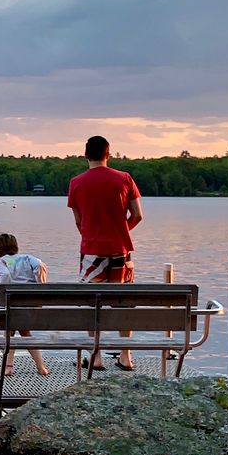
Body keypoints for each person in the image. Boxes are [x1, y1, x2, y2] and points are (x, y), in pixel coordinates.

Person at [67, 135, 143, 371]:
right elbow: (137, 215)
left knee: (93, 304)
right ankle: (125, 355)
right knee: (123, 303)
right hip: (121, 251)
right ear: (108, 154)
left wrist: (91, 234)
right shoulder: (125, 179)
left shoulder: (76, 182)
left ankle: (96, 355)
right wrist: (121, 231)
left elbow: (79, 222)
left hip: (92, 253)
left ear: (86, 155)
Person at [0, 233, 50, 376]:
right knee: (24, 333)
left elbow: (5, 276)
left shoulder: (1, 262)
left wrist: (8, 286)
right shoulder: (28, 258)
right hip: (30, 304)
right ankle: (39, 366)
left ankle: (9, 367)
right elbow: (40, 266)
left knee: (10, 333)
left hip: (12, 304)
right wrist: (39, 289)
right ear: (16, 246)